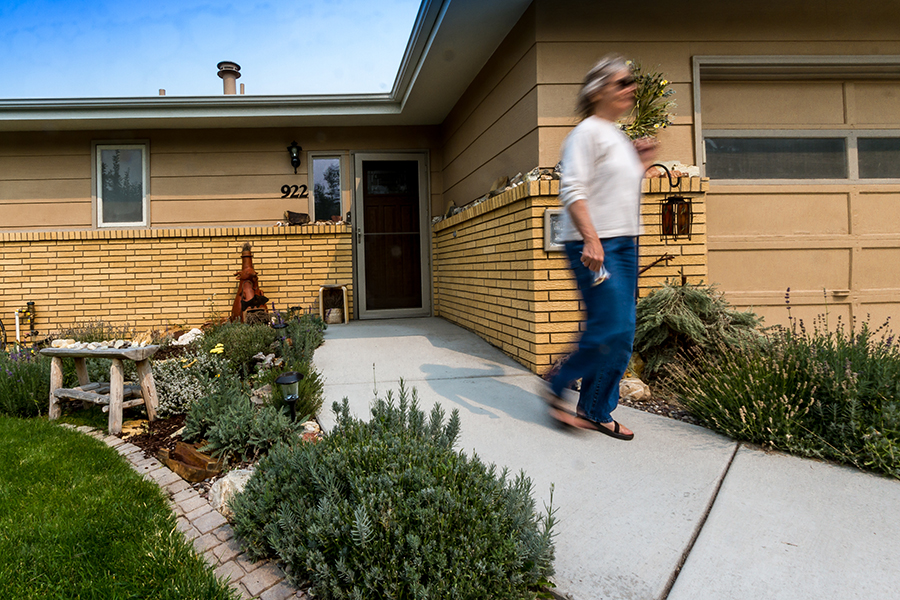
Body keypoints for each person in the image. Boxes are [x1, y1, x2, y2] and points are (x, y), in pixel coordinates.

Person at [544, 55, 657, 440]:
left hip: (625, 244)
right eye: (622, 82)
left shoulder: (616, 135)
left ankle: (595, 409)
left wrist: (639, 165)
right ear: (598, 90)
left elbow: (613, 190)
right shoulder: (586, 133)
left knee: (622, 333)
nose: (631, 88)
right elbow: (573, 189)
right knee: (608, 326)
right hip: (595, 245)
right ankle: (558, 381)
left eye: (631, 82)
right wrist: (591, 238)